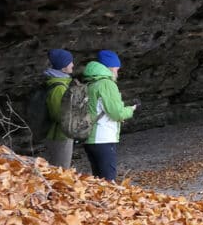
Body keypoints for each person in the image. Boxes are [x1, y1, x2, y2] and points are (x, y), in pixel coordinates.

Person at [82, 50, 138, 181]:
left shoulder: (90, 82)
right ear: (110, 68)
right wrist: (130, 110)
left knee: (97, 181)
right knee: (108, 180)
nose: (117, 73)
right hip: (103, 138)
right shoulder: (106, 84)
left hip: (89, 137)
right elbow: (116, 112)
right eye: (117, 69)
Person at [43, 49, 74, 168]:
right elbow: (58, 114)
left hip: (61, 134)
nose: (73, 65)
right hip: (59, 135)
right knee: (61, 170)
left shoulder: (61, 83)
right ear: (63, 67)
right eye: (70, 62)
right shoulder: (59, 87)